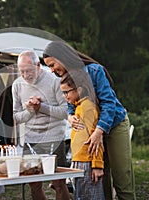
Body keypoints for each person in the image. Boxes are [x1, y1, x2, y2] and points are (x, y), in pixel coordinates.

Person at [43, 41, 136, 200]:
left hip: (114, 125)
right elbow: (71, 105)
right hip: (91, 129)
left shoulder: (94, 71)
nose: (51, 70)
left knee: (121, 176)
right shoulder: (65, 79)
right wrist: (70, 116)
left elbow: (108, 103)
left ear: (62, 57)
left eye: (52, 65)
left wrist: (100, 130)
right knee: (99, 177)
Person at [12, 50, 71, 200]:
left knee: (59, 182)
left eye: (29, 71)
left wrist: (42, 107)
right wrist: (31, 110)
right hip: (30, 139)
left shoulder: (55, 81)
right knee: (34, 183)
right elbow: (16, 117)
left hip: (54, 138)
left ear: (38, 65)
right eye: (22, 71)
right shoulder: (17, 85)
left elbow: (65, 112)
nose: (25, 76)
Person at [60, 71, 104, 199]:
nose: (64, 96)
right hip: (79, 161)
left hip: (88, 163)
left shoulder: (87, 107)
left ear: (79, 89)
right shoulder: (78, 107)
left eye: (66, 92)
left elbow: (97, 141)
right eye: (63, 93)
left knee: (91, 196)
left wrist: (97, 166)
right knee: (81, 196)